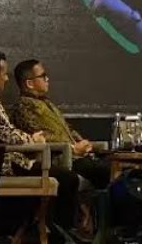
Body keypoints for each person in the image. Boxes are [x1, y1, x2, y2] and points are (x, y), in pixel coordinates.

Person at [0, 49, 79, 231]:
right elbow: (9, 135)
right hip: (5, 164)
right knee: (68, 178)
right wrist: (33, 139)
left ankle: (48, 231)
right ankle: (60, 235)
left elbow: (5, 132)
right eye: (3, 74)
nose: (6, 79)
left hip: (2, 160)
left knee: (64, 175)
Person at [11, 59, 111, 191]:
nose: (47, 79)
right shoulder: (23, 107)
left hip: (76, 156)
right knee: (105, 170)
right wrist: (73, 148)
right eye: (43, 76)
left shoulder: (47, 103)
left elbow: (67, 129)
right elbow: (40, 137)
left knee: (112, 164)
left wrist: (82, 142)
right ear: (30, 83)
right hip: (60, 159)